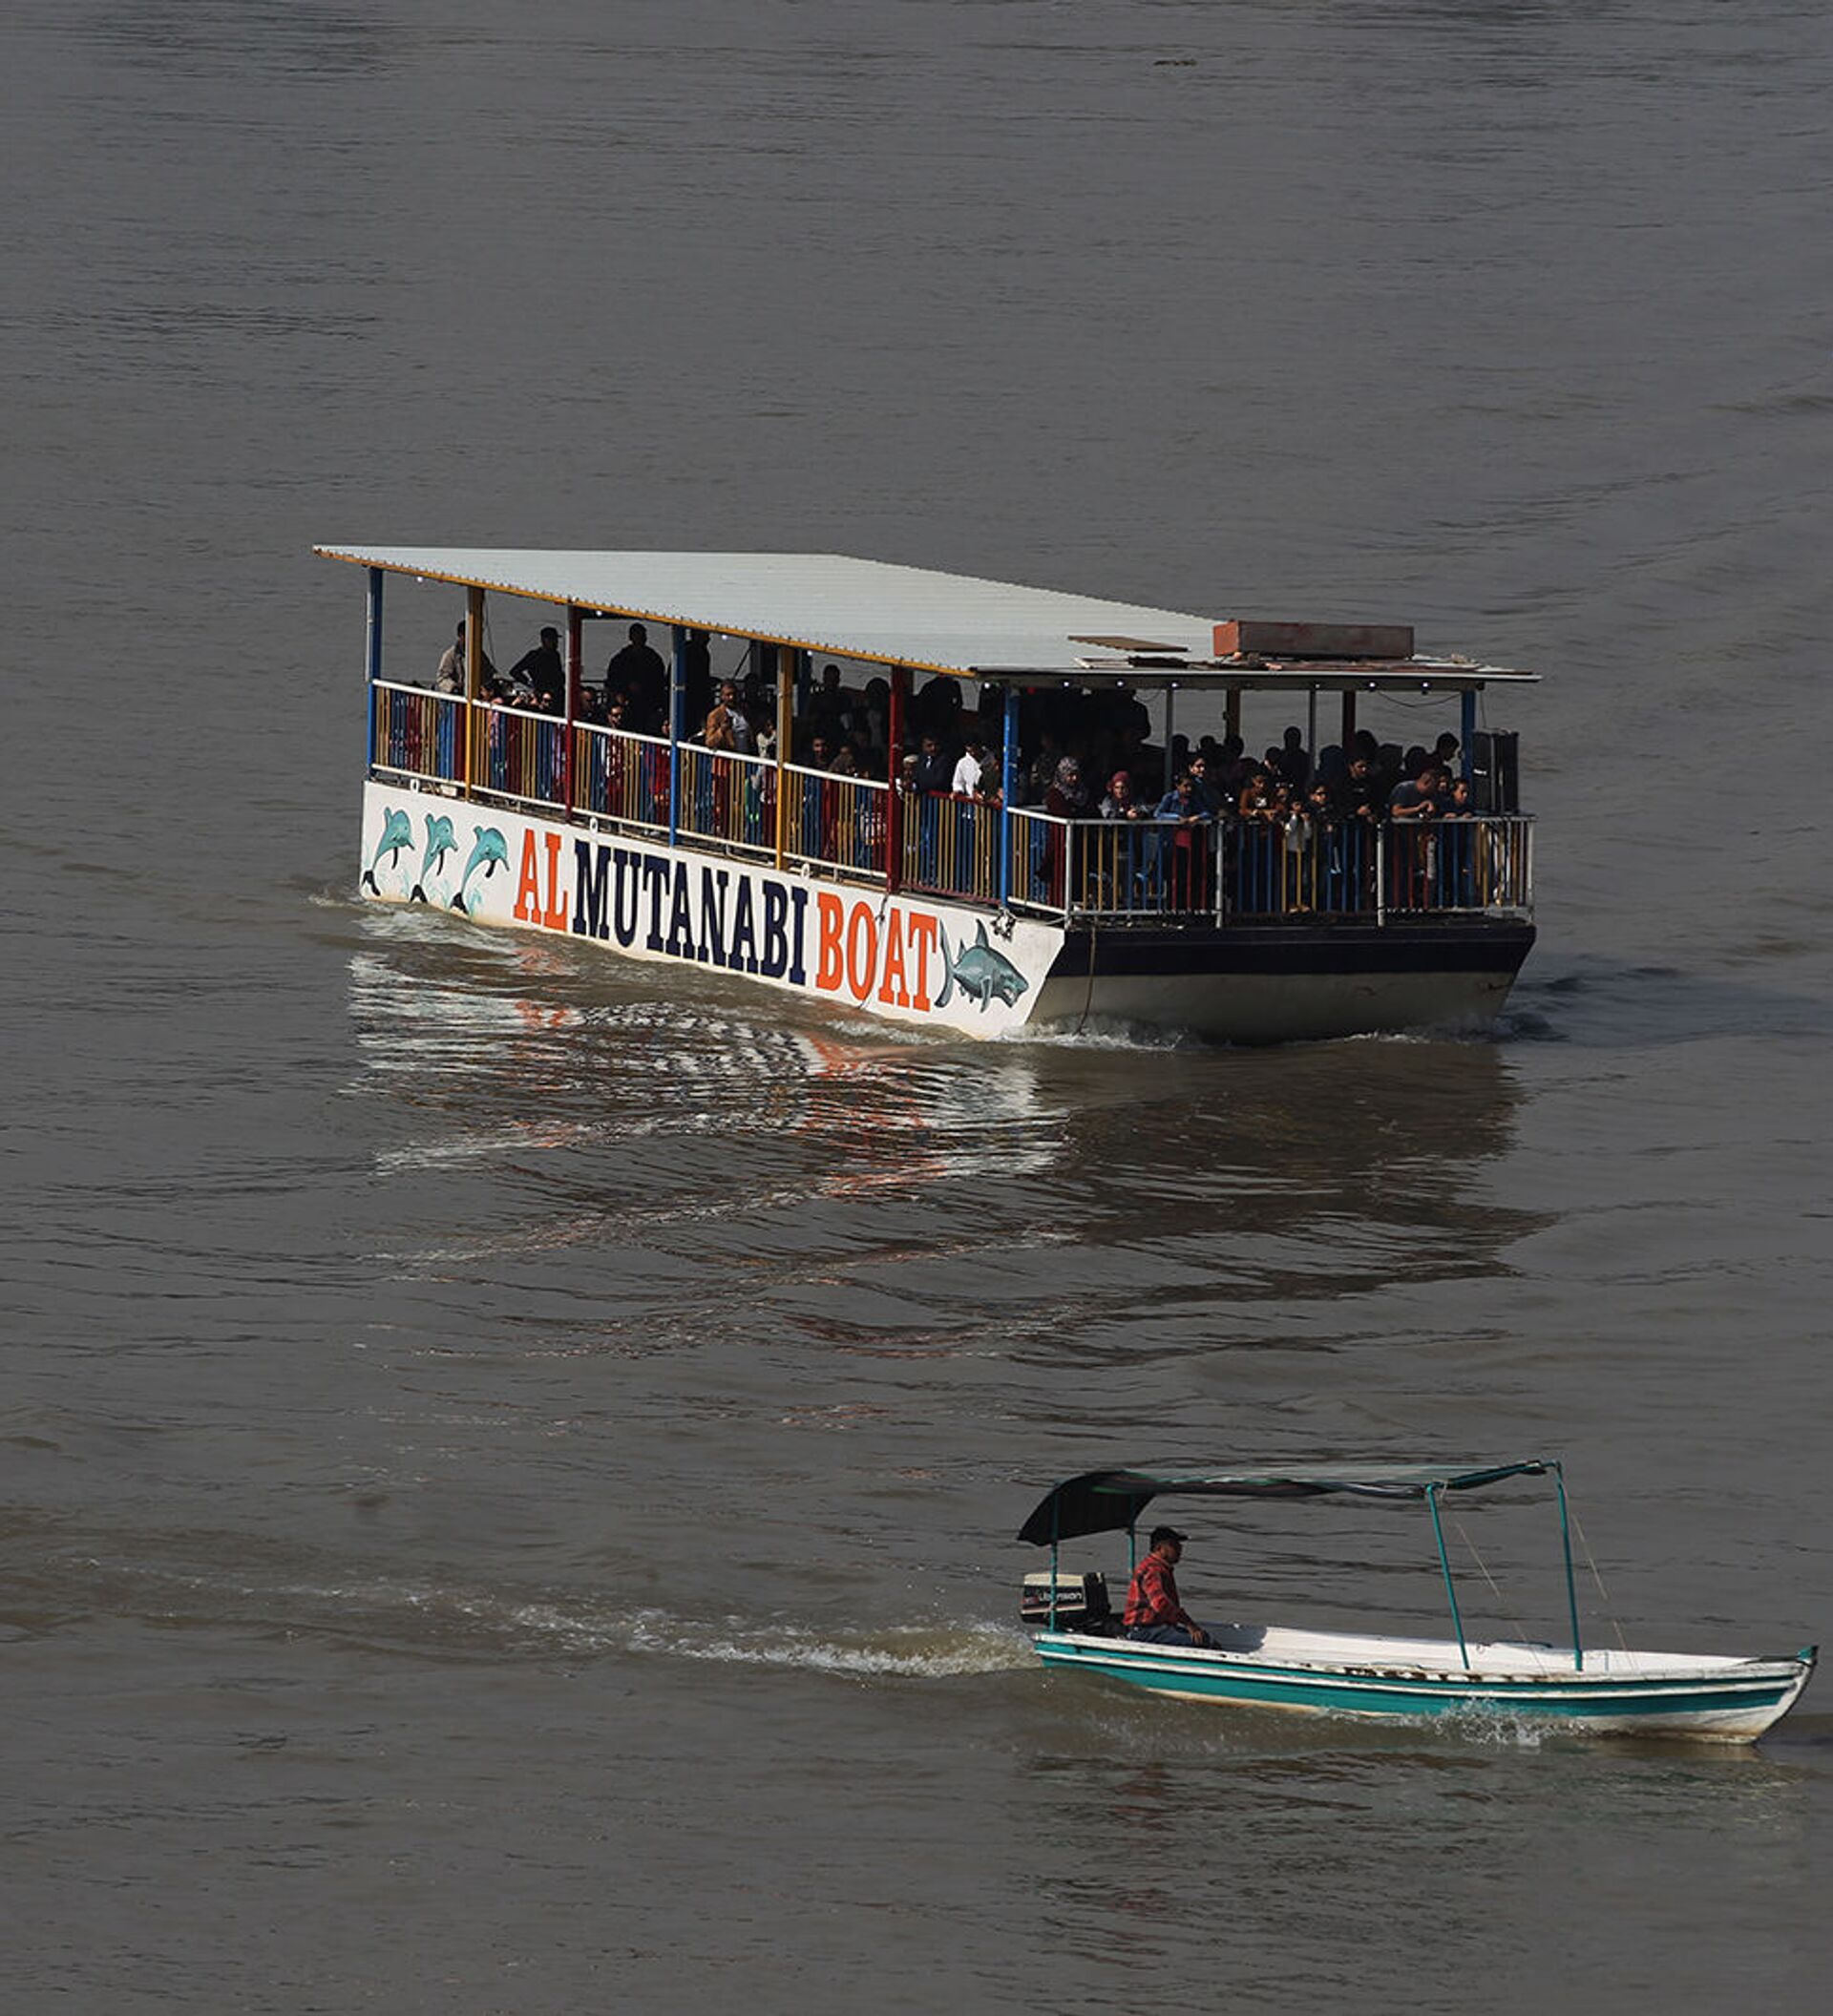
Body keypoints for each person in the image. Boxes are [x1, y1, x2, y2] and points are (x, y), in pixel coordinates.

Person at [1123, 1526, 1212, 1647]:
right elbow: (1161, 1604)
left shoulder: (1161, 1568)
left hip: (1156, 1627)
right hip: (1143, 1630)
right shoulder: (1152, 1570)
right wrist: (1188, 1623)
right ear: (1160, 1548)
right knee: (1200, 1641)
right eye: (1173, 1545)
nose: (1179, 1549)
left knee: (1203, 1637)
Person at [604, 621, 668, 725]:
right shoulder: (621, 659)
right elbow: (612, 680)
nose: (639, 639)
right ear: (630, 637)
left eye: (642, 636)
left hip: (648, 704)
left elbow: (659, 681)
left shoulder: (653, 658)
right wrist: (620, 694)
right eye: (636, 635)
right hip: (626, 705)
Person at [506, 625, 565, 713]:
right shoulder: (534, 656)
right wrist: (530, 682)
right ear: (544, 640)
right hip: (542, 693)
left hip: (557, 694)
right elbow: (515, 671)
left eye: (556, 640)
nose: (556, 643)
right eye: (552, 640)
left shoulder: (555, 655)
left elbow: (557, 673)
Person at [434, 620, 495, 694]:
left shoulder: (479, 654)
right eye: (467, 635)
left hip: (476, 694)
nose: (471, 638)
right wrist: (453, 687)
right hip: (454, 699)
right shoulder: (451, 655)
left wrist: (494, 682)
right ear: (460, 635)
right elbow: (442, 678)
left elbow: (489, 672)